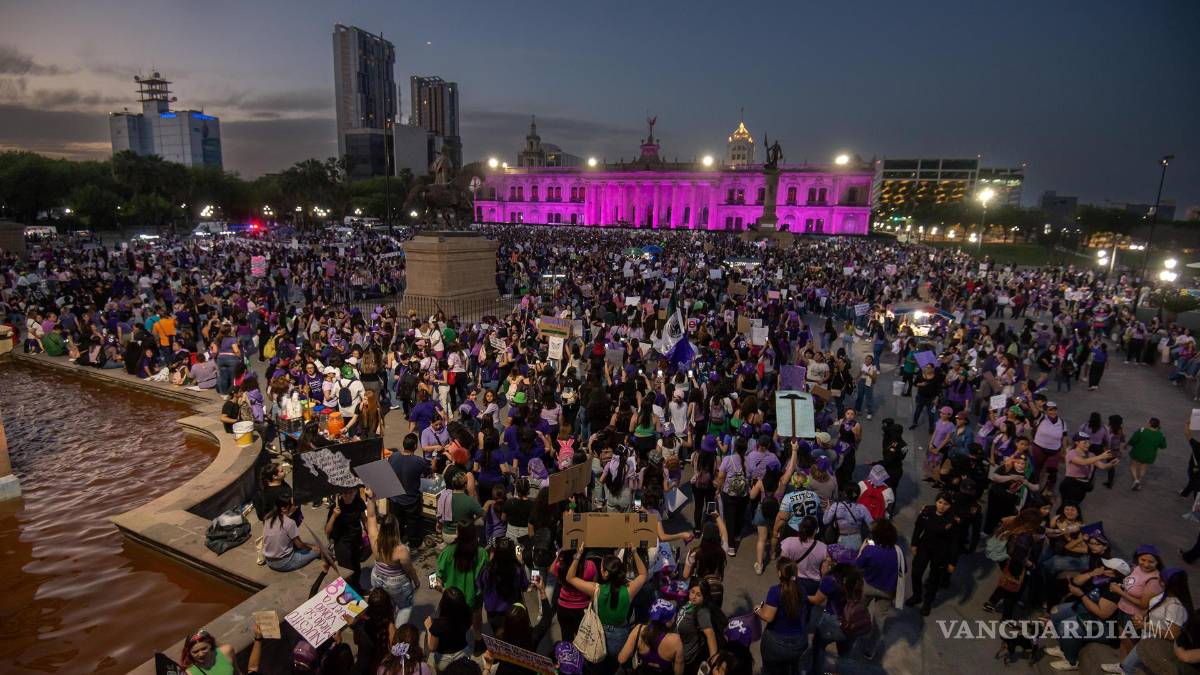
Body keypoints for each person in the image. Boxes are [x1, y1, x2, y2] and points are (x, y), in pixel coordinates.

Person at [565, 540, 648, 666]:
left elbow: (570, 577)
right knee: (614, 666)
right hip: (620, 636)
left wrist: (579, 554)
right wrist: (634, 552)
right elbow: (643, 574)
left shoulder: (595, 589)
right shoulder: (629, 590)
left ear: (605, 573)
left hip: (598, 634)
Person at [366, 502, 420, 626]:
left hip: (377, 578)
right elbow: (409, 570)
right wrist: (416, 581)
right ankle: (398, 632)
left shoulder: (374, 540)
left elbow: (371, 516)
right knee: (404, 607)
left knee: (384, 604)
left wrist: (371, 499)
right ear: (396, 529)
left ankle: (385, 625)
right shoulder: (401, 550)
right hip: (396, 584)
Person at [855, 519, 903, 659]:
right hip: (887, 590)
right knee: (879, 620)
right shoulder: (897, 551)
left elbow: (859, 564)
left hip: (868, 586)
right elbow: (903, 570)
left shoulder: (870, 550)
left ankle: (854, 632)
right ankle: (870, 650)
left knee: (858, 609)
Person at [435, 523, 487, 648]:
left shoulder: (448, 551)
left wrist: (441, 587)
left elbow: (438, 576)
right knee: (476, 619)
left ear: (458, 533)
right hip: (473, 597)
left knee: (454, 620)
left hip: (453, 597)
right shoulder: (481, 553)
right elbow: (485, 577)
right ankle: (478, 642)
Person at [906, 492, 959, 615]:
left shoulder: (952, 520)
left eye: (946, 504)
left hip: (941, 552)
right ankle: (917, 596)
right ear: (936, 502)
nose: (942, 506)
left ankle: (927, 603)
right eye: (940, 502)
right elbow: (918, 528)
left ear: (950, 506)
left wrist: (952, 562)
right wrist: (914, 544)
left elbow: (955, 542)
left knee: (934, 579)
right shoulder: (927, 511)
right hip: (924, 547)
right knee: (916, 573)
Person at [753, 559, 808, 675]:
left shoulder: (775, 591)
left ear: (779, 573)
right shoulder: (802, 590)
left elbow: (768, 617)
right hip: (799, 640)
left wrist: (757, 609)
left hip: (776, 641)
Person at [676, 575, 727, 675]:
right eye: (692, 592)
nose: (694, 597)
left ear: (704, 597)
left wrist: (713, 662)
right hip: (679, 650)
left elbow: (710, 635)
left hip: (687, 659)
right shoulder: (690, 603)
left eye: (699, 595)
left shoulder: (702, 612)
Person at [619, 599, 685, 675]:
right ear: (667, 622)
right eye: (673, 617)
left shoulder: (639, 630)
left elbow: (621, 659)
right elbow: (678, 672)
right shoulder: (675, 641)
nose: (674, 619)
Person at [388, 434, 431, 550]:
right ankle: (413, 544)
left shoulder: (393, 457)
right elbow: (429, 472)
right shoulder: (419, 461)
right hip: (411, 500)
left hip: (395, 499)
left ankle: (397, 542)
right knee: (413, 523)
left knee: (397, 523)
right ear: (415, 446)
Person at [262, 496, 323, 572]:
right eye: (294, 504)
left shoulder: (268, 518)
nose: (297, 506)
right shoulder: (289, 523)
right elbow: (300, 545)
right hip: (284, 562)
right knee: (319, 550)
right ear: (284, 508)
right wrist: (312, 548)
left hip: (269, 560)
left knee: (310, 545)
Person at [325, 487, 367, 593]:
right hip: (342, 545)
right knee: (347, 573)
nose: (348, 496)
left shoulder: (358, 502)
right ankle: (350, 595)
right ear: (340, 494)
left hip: (356, 541)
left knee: (357, 568)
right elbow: (327, 530)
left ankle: (358, 589)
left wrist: (370, 534)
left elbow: (364, 519)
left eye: (351, 492)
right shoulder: (336, 507)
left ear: (355, 492)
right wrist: (334, 516)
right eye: (345, 493)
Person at [424, 587, 474, 670]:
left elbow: (432, 647)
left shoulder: (438, 624)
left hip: (443, 659)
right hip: (463, 653)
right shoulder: (467, 614)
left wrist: (429, 627)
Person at [1128, 417, 1167, 491]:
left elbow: (1133, 440)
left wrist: (1127, 444)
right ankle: (1139, 481)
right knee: (1143, 467)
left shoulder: (1142, 431)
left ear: (1149, 424)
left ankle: (1136, 480)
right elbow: (1163, 446)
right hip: (1149, 455)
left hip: (1137, 452)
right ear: (1158, 426)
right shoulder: (1161, 435)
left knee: (1133, 466)